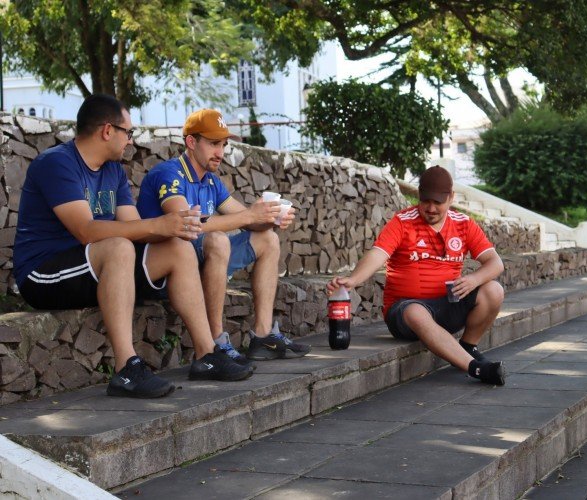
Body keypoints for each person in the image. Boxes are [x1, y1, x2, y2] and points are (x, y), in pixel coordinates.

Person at [13, 95, 254, 399]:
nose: (130, 140)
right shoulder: (57, 163)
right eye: (128, 132)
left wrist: (175, 226)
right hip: (44, 273)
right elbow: (87, 231)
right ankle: (126, 368)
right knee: (118, 247)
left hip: (96, 267)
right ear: (106, 130)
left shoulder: (114, 171)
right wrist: (157, 225)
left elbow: (135, 228)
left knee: (177, 248)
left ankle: (206, 355)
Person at [137, 109, 310, 364]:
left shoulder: (211, 181)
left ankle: (262, 336)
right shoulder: (170, 174)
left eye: (224, 144)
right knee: (217, 239)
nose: (221, 152)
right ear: (191, 142)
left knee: (268, 239)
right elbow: (185, 225)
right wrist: (251, 216)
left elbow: (245, 218)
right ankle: (216, 342)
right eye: (214, 144)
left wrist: (270, 219)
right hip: (168, 268)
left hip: (201, 262)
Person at [326, 166, 506, 385]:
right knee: (415, 311)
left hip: (447, 305)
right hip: (405, 312)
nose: (430, 208)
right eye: (425, 201)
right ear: (418, 196)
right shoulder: (403, 221)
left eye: (438, 202)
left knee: (494, 290)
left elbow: (496, 263)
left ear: (451, 198)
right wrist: (353, 280)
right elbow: (377, 254)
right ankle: (475, 368)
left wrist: (474, 280)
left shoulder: (464, 224)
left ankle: (468, 347)